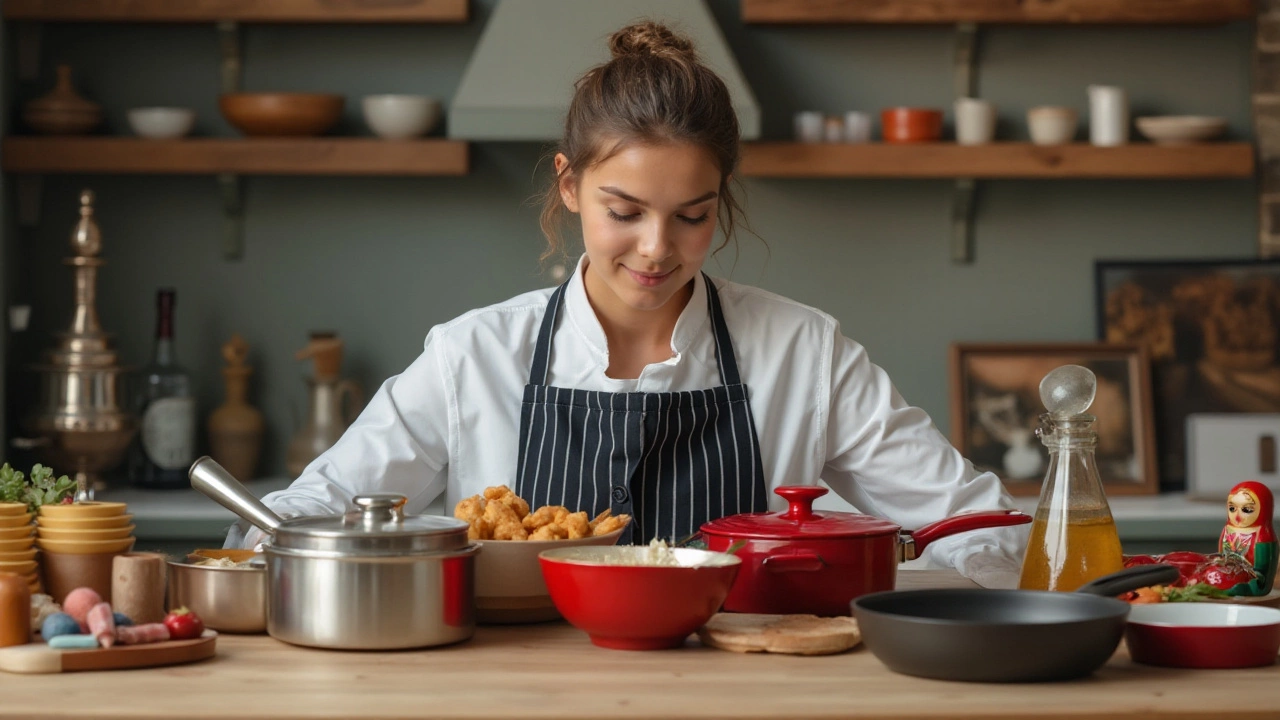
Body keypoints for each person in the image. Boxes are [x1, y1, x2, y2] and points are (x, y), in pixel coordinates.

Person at [227, 21, 1027, 583]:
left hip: (747, 693)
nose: (656, 248)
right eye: (624, 211)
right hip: (521, 696)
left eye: (693, 216)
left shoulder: (802, 350)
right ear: (570, 186)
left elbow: (974, 519)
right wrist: (265, 556)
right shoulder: (474, 355)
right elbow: (312, 509)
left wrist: (1003, 593)